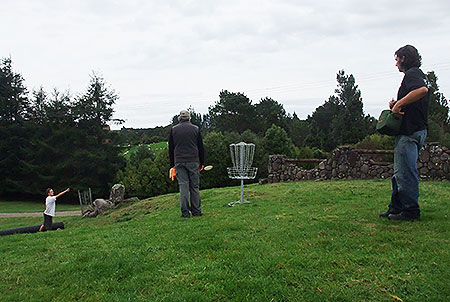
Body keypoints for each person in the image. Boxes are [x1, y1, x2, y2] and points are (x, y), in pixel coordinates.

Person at [379, 45, 430, 221]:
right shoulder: (416, 74)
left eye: (397, 59)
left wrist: (399, 104)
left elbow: (422, 91)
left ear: (404, 58)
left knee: (405, 172)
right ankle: (395, 208)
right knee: (399, 172)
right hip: (416, 129)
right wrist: (397, 103)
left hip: (410, 131)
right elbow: (415, 97)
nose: (396, 64)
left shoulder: (413, 73)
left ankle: (410, 212)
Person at [169, 110, 205, 218]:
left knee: (183, 186)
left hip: (179, 161)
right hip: (194, 160)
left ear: (179, 118)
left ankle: (185, 213)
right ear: (189, 118)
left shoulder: (173, 130)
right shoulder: (196, 129)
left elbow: (171, 148)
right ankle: (196, 211)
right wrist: (202, 162)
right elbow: (200, 147)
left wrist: (172, 165)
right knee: (194, 187)